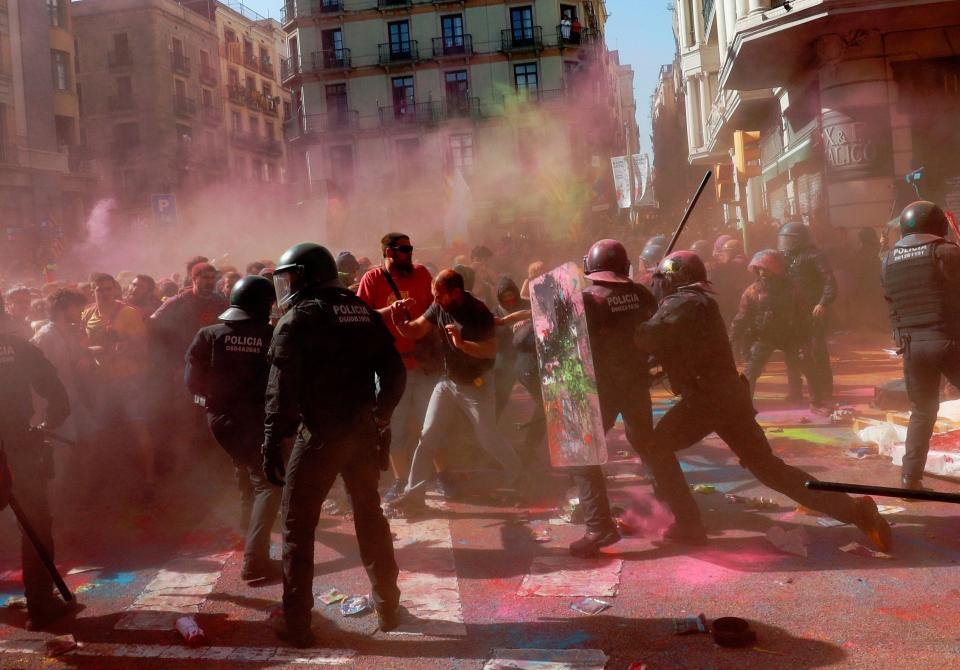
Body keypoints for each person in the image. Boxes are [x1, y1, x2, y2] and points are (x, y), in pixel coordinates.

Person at [636, 251, 892, 552]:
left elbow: (647, 337)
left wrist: (634, 320)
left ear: (671, 280)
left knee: (657, 447)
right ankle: (854, 511)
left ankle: (688, 523)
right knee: (768, 468)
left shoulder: (683, 302)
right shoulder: (696, 303)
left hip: (709, 399)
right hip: (727, 396)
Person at [262, 243, 406, 647]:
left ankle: (296, 623)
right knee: (369, 513)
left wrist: (273, 440)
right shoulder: (361, 311)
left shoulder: (298, 318)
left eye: (289, 277)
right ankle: (388, 605)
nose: (286, 285)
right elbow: (394, 373)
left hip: (319, 437)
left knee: (296, 525)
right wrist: (380, 419)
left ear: (305, 276)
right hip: (361, 432)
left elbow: (280, 389)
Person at [568, 240, 708, 557]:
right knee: (648, 446)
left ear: (592, 265)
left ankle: (599, 527)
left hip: (602, 389)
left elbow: (573, 348)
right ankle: (689, 521)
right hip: (635, 383)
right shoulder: (643, 294)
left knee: (582, 454)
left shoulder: (589, 299)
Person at [384, 269, 526, 515]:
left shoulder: (477, 312)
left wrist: (462, 345)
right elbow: (417, 329)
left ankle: (518, 477)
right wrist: (401, 324)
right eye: (433, 294)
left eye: (439, 295)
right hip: (448, 382)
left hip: (476, 385)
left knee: (488, 437)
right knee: (427, 435)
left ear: (456, 292)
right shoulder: (438, 305)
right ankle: (413, 494)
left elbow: (489, 350)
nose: (435, 300)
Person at [186, 275, 280, 581]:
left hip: (220, 420)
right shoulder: (271, 334)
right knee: (269, 484)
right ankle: (255, 564)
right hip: (256, 419)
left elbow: (191, 381)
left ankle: (245, 528)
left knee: (245, 471)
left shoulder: (209, 333)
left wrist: (210, 401)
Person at [881, 201, 960, 492]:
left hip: (913, 345)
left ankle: (910, 479)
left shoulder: (888, 260)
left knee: (923, 412)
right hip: (949, 339)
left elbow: (892, 304)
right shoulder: (947, 253)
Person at [356, 233, 441, 501]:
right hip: (391, 369)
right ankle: (402, 481)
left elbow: (435, 309)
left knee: (432, 424)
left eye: (410, 248)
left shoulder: (422, 273)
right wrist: (390, 310)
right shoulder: (372, 279)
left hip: (425, 363)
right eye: (404, 249)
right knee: (397, 428)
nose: (410, 253)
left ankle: (442, 476)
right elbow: (362, 316)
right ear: (389, 252)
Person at [0, 329, 72, 630]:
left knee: (35, 522)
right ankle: (40, 606)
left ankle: (41, 604)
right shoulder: (16, 344)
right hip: (17, 445)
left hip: (15, 445)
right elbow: (57, 396)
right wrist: (47, 424)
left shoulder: (18, 345)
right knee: (36, 523)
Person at [83, 272, 155, 500]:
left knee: (137, 428)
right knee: (99, 432)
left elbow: (143, 350)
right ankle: (101, 480)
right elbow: (83, 345)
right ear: (92, 291)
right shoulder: (87, 313)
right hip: (101, 382)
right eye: (99, 289)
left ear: (115, 290)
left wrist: (122, 348)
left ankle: (149, 483)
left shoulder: (128, 313)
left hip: (128, 380)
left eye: (108, 288)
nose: (104, 293)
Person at [730, 249, 811, 399]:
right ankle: (744, 402)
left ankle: (800, 396)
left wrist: (806, 337)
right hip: (765, 336)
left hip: (790, 334)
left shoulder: (792, 288)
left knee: (798, 366)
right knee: (752, 370)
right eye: (759, 269)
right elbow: (742, 317)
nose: (761, 273)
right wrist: (733, 337)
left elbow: (802, 314)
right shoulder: (753, 291)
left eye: (765, 269)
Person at [779, 221, 837, 407]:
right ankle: (795, 390)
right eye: (784, 239)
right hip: (792, 311)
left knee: (816, 349)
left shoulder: (815, 255)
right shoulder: (784, 258)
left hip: (814, 310)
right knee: (791, 350)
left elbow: (830, 282)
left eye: (789, 239)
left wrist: (823, 303)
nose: (785, 243)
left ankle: (825, 388)